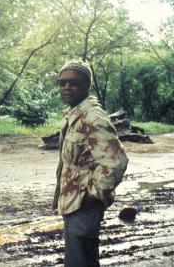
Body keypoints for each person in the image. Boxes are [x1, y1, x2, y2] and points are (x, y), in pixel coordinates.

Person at [52, 59, 129, 267]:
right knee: (83, 260)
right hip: (73, 201)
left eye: (74, 82)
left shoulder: (93, 118)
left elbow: (116, 162)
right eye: (62, 82)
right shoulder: (74, 115)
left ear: (87, 85)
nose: (67, 87)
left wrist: (92, 195)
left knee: (79, 262)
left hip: (83, 204)